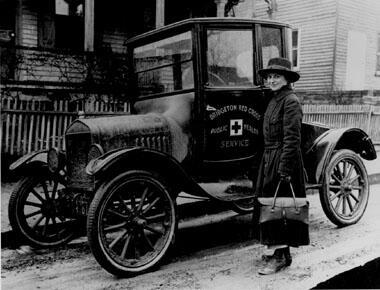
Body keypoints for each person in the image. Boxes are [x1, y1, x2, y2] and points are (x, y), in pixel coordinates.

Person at [255, 57, 309, 275]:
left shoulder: (291, 101)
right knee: (271, 206)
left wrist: (285, 169)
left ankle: (279, 257)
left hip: (284, 160)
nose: (271, 80)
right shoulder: (274, 100)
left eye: (276, 76)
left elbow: (293, 138)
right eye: (269, 77)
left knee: (280, 208)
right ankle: (281, 253)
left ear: (286, 78)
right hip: (270, 159)